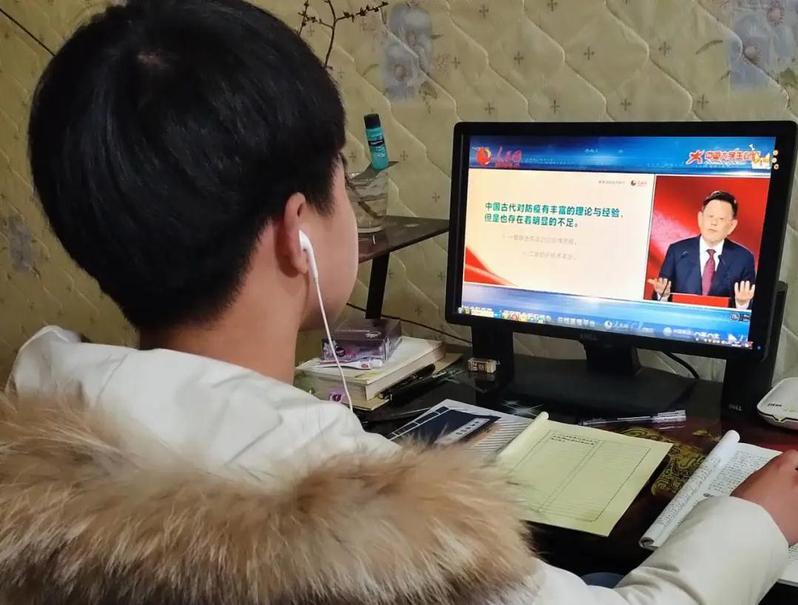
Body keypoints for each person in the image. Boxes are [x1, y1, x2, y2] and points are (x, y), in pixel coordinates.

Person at [2, 1, 797, 602]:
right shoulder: (383, 529)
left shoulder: (35, 441)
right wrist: (759, 518)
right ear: (297, 233)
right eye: (343, 177)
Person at [648, 191, 757, 309]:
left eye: (721, 219)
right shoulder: (677, 251)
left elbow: (752, 309)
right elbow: (658, 300)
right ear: (700, 218)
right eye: (710, 216)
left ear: (731, 226)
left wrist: (742, 303)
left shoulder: (743, 258)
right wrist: (662, 295)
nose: (714, 223)